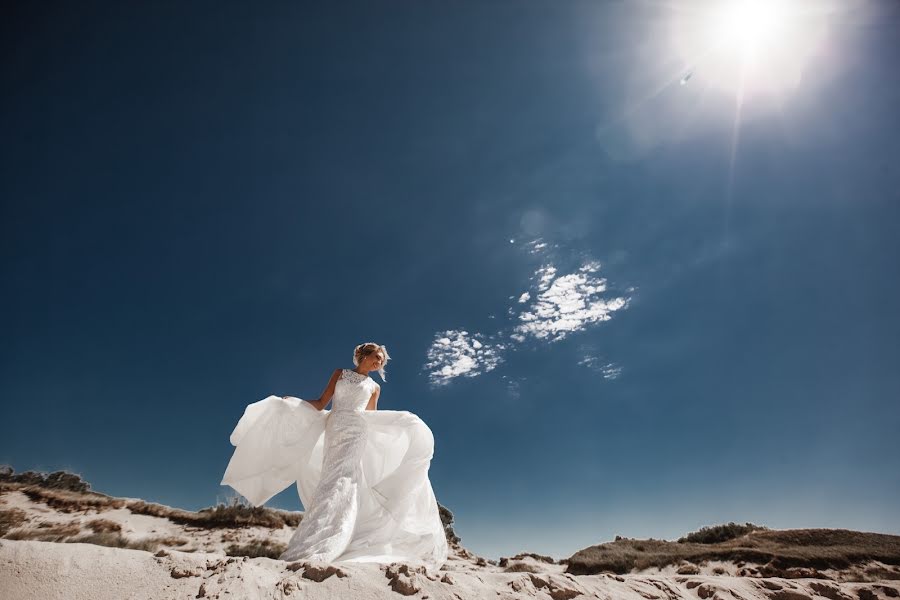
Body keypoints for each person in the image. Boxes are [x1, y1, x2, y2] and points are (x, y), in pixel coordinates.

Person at [220, 342, 448, 571]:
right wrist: (295, 402)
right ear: (363, 356)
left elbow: (371, 417)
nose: (379, 362)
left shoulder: (374, 387)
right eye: (376, 357)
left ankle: (332, 539)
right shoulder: (340, 374)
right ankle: (320, 535)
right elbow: (320, 403)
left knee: (344, 480)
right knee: (329, 479)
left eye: (382, 360)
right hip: (334, 428)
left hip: (357, 432)